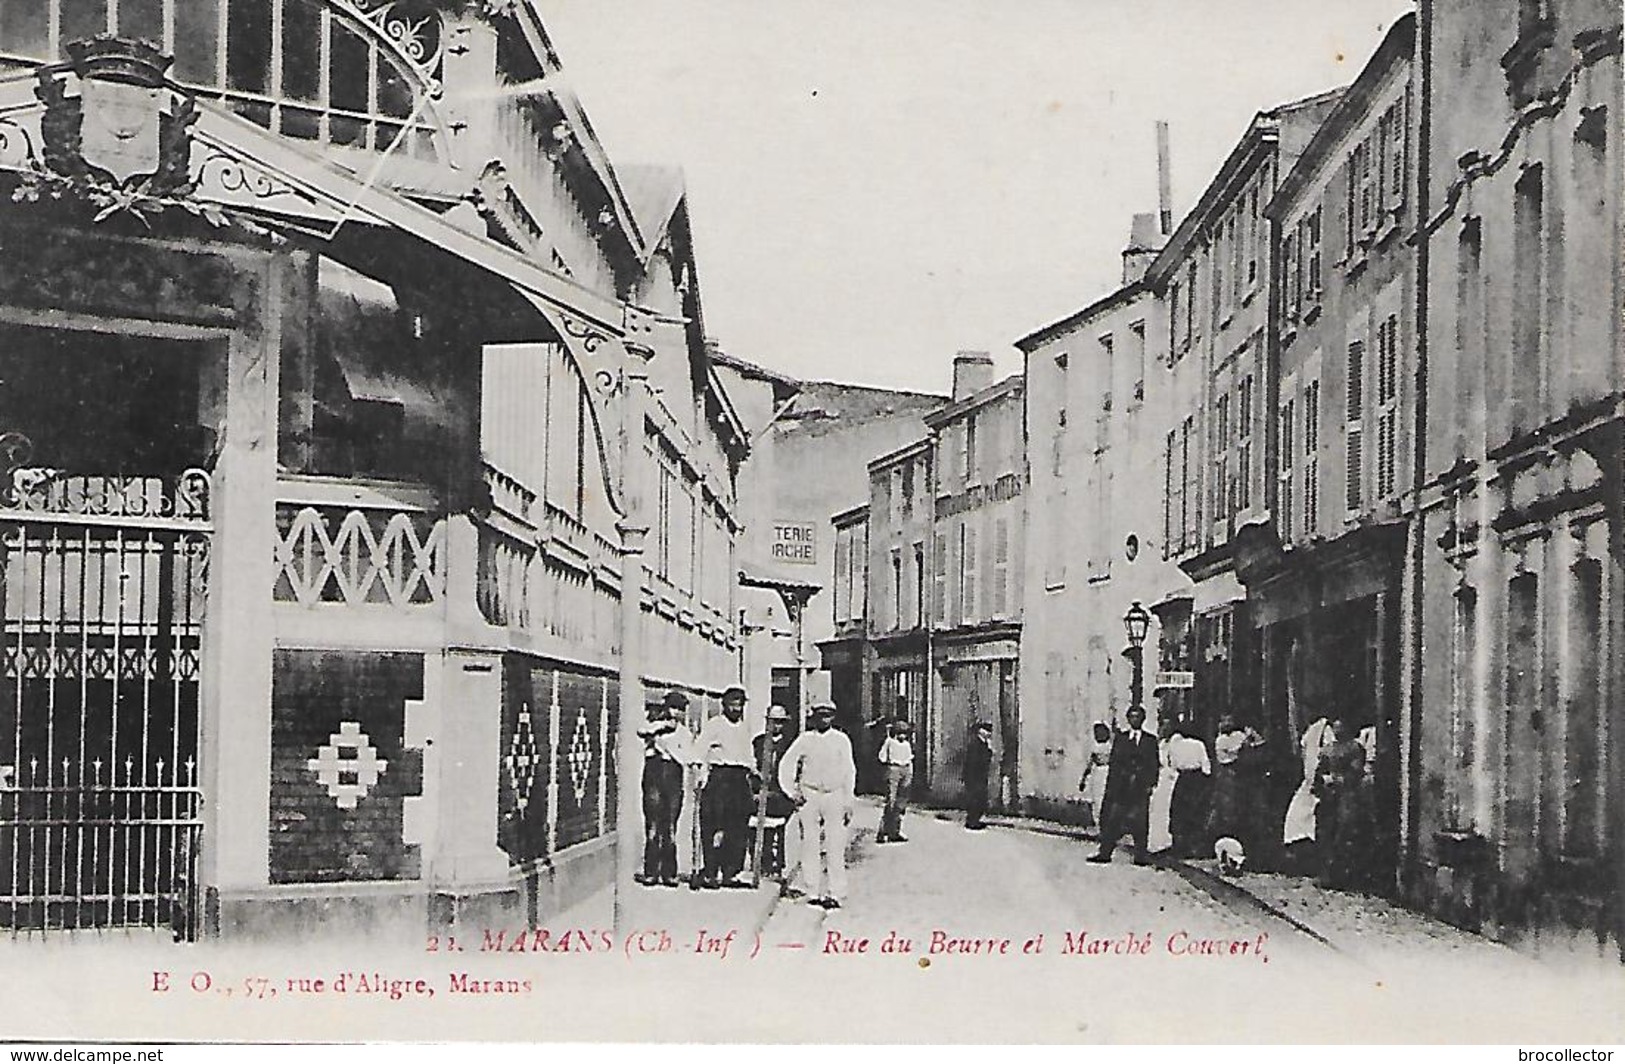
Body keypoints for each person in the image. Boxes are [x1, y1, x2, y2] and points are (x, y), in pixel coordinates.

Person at [778, 702, 856, 909]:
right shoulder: (805, 739)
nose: (824, 720)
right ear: (813, 717)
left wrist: (848, 801)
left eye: (828, 715)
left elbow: (849, 771)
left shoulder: (841, 740)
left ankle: (836, 892)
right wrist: (791, 792)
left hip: (834, 794)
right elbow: (787, 764)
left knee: (835, 844)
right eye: (820, 716)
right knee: (810, 842)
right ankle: (811, 889)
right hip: (810, 794)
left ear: (833, 717)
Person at [696, 685, 756, 889]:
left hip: (740, 779)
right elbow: (699, 750)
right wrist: (701, 775)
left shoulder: (744, 726)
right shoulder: (715, 725)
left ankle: (731, 872)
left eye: (740, 705)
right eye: (732, 704)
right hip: (720, 778)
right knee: (714, 825)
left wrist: (754, 771)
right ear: (724, 705)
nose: (736, 709)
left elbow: (748, 755)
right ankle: (711, 871)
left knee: (738, 827)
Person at [636, 690, 695, 887]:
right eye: (673, 707)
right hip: (653, 774)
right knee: (652, 825)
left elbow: (685, 757)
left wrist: (665, 747)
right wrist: (660, 727)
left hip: (672, 776)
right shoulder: (654, 725)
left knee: (670, 826)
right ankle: (650, 871)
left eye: (680, 709)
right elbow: (641, 731)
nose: (676, 713)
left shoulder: (685, 733)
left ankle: (669, 872)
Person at [1088, 705, 1160, 865]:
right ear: (1128, 719)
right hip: (1122, 788)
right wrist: (1112, 786)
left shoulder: (1150, 740)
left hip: (1140, 787)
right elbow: (1115, 763)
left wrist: (1151, 784)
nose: (1135, 720)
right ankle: (1105, 853)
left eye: (1138, 717)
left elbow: (1154, 764)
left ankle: (1140, 856)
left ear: (1143, 719)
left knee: (1141, 822)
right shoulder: (1121, 739)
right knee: (1113, 820)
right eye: (1132, 716)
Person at [1314, 718, 1373, 892]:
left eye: (1341, 727)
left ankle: (1344, 877)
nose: (1337, 729)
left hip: (1347, 796)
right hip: (1328, 796)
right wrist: (1322, 782)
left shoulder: (1354, 748)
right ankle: (1326, 875)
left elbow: (1356, 772)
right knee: (1325, 833)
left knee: (1345, 834)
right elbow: (1319, 771)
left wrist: (1339, 780)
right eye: (1335, 727)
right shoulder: (1328, 749)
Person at [1281, 715, 1334, 871]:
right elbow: (1304, 753)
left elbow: (1328, 754)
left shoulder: (1326, 729)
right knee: (1295, 817)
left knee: (1313, 819)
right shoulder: (1312, 729)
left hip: (1322, 781)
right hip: (1310, 781)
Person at [1209, 715, 1266, 856]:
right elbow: (1237, 752)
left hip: (1242, 775)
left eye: (1229, 720)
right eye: (1223, 721)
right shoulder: (1221, 740)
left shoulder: (1238, 735)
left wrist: (1253, 735)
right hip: (1227, 775)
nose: (1227, 723)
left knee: (1243, 809)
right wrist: (1246, 741)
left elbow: (1259, 744)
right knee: (1227, 810)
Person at [751, 705, 797, 877]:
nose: (775, 726)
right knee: (758, 828)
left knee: (779, 827)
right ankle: (763, 862)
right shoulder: (758, 742)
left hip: (781, 793)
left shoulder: (789, 744)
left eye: (779, 722)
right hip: (760, 792)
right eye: (772, 722)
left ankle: (778, 863)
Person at [1163, 719, 1213, 858]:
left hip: (1183, 779)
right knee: (1196, 811)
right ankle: (1195, 846)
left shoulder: (1175, 745)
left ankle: (1179, 845)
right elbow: (1206, 766)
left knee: (1179, 811)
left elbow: (1172, 765)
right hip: (1197, 779)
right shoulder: (1199, 744)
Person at [877, 717, 915, 843]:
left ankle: (895, 831)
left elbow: (909, 760)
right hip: (893, 769)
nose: (902, 736)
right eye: (899, 733)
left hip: (905, 770)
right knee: (890, 802)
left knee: (901, 803)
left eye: (904, 733)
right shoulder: (889, 742)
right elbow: (882, 758)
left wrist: (909, 774)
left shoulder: (907, 745)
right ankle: (883, 831)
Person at [1078, 721, 1113, 827]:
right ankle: (1098, 823)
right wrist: (1083, 779)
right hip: (1097, 773)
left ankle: (1107, 824)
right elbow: (1089, 764)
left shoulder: (1110, 746)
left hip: (1107, 772)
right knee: (1096, 798)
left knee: (1105, 798)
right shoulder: (1094, 747)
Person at [963, 720, 994, 830]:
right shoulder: (976, 744)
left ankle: (975, 820)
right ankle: (972, 821)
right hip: (974, 777)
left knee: (979, 799)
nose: (989, 733)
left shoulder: (982, 743)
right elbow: (977, 761)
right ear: (981, 731)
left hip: (979, 776)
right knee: (974, 799)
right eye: (987, 731)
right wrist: (989, 751)